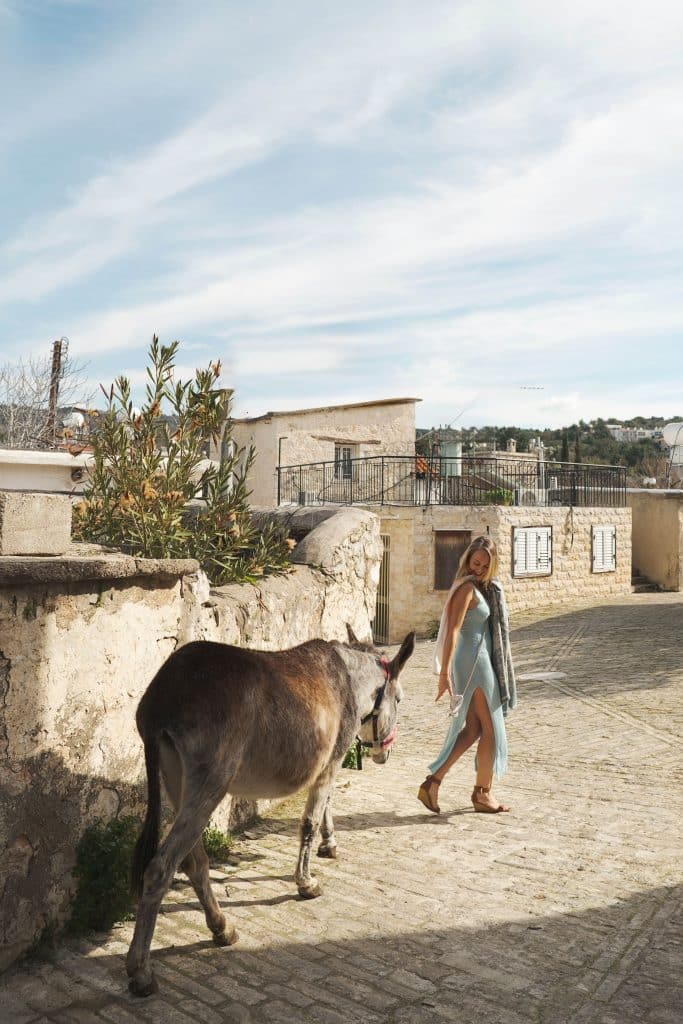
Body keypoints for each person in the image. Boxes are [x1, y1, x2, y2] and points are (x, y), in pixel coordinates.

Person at [417, 535, 516, 814]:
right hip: (474, 663)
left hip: (477, 659)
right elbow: (453, 630)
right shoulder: (466, 589)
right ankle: (482, 794)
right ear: (468, 560)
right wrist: (444, 674)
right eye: (475, 563)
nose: (479, 569)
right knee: (492, 729)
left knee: (473, 729)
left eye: (485, 565)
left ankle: (433, 783)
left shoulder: (484, 588)